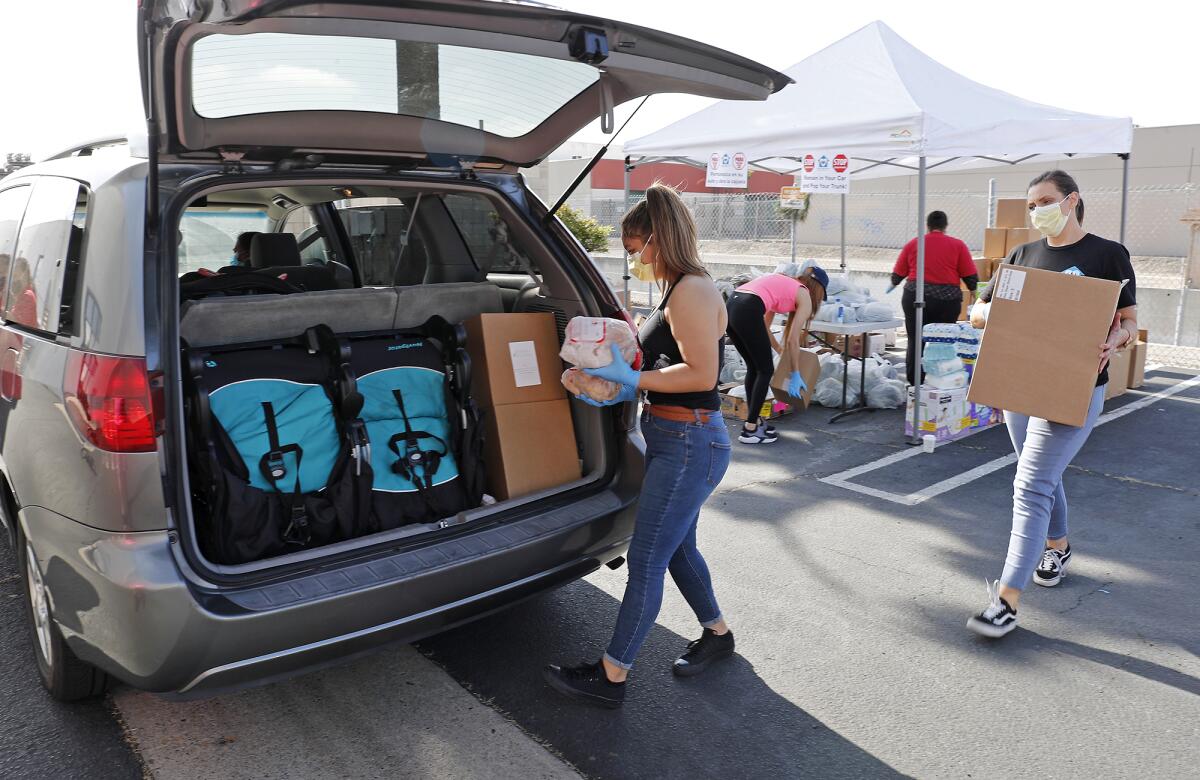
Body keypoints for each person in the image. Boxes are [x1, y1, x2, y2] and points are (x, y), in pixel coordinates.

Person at [543, 183, 733, 708]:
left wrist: (629, 382)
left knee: (647, 558)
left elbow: (701, 372)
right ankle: (718, 636)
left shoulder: (692, 289)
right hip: (677, 437)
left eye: (634, 251)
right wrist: (614, 376)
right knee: (679, 550)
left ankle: (611, 676)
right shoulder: (677, 289)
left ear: (655, 240)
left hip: (692, 440)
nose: (634, 262)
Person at [966, 170, 1137, 638]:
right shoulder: (1023, 256)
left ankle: (1006, 601)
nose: (1037, 209)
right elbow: (979, 311)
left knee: (1030, 484)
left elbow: (1127, 323)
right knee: (1038, 472)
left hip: (1075, 388)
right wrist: (994, 312)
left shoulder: (1107, 254)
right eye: (1031, 203)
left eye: (1046, 200)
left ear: (1071, 200)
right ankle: (1056, 546)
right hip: (1022, 385)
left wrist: (1115, 340)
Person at [724, 262, 828, 444]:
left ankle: (754, 420)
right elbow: (793, 340)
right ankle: (750, 430)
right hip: (748, 307)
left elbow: (764, 326)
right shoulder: (804, 296)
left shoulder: (785, 283)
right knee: (765, 371)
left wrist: (779, 351)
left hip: (732, 304)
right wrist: (795, 373)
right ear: (819, 289)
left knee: (755, 368)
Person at [890, 211, 978, 384]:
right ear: (945, 226)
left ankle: (916, 382)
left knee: (916, 339)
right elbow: (970, 276)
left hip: (915, 296)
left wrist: (894, 282)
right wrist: (975, 293)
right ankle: (940, 382)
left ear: (928, 225)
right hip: (946, 300)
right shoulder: (958, 245)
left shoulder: (914, 243)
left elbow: (897, 275)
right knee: (943, 342)